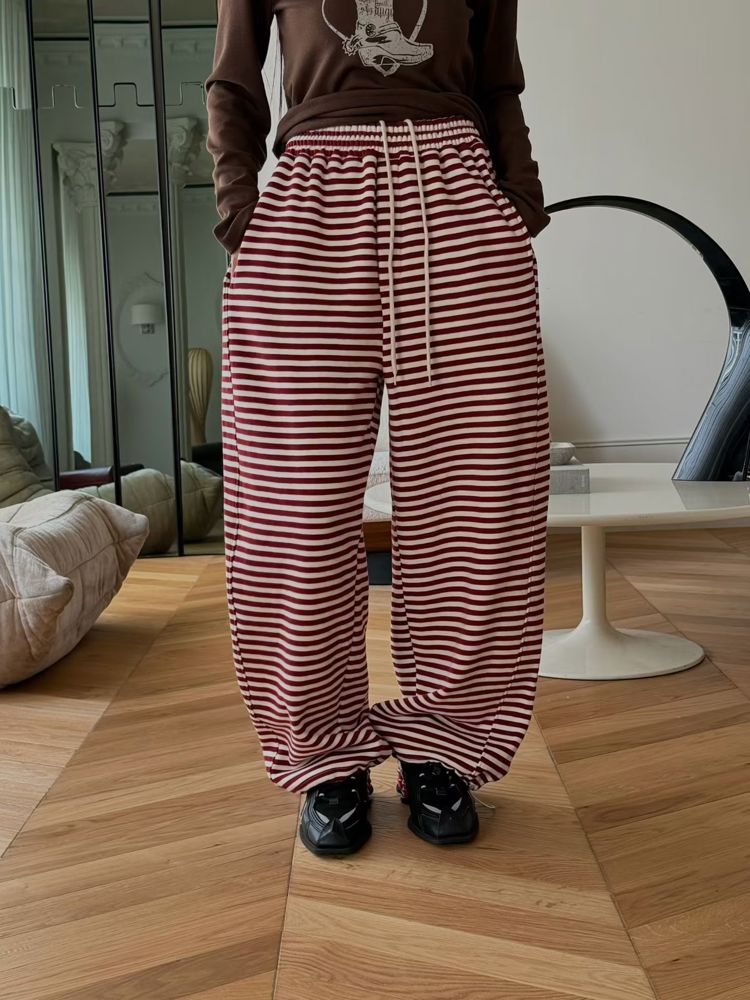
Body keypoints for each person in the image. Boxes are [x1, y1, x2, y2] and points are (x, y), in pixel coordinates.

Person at [205, 0, 551, 857]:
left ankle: (444, 746)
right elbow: (233, 80)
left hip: (460, 201)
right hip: (309, 208)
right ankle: (324, 755)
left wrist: (518, 204)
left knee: (478, 507)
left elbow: (500, 83)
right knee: (294, 512)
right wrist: (243, 212)